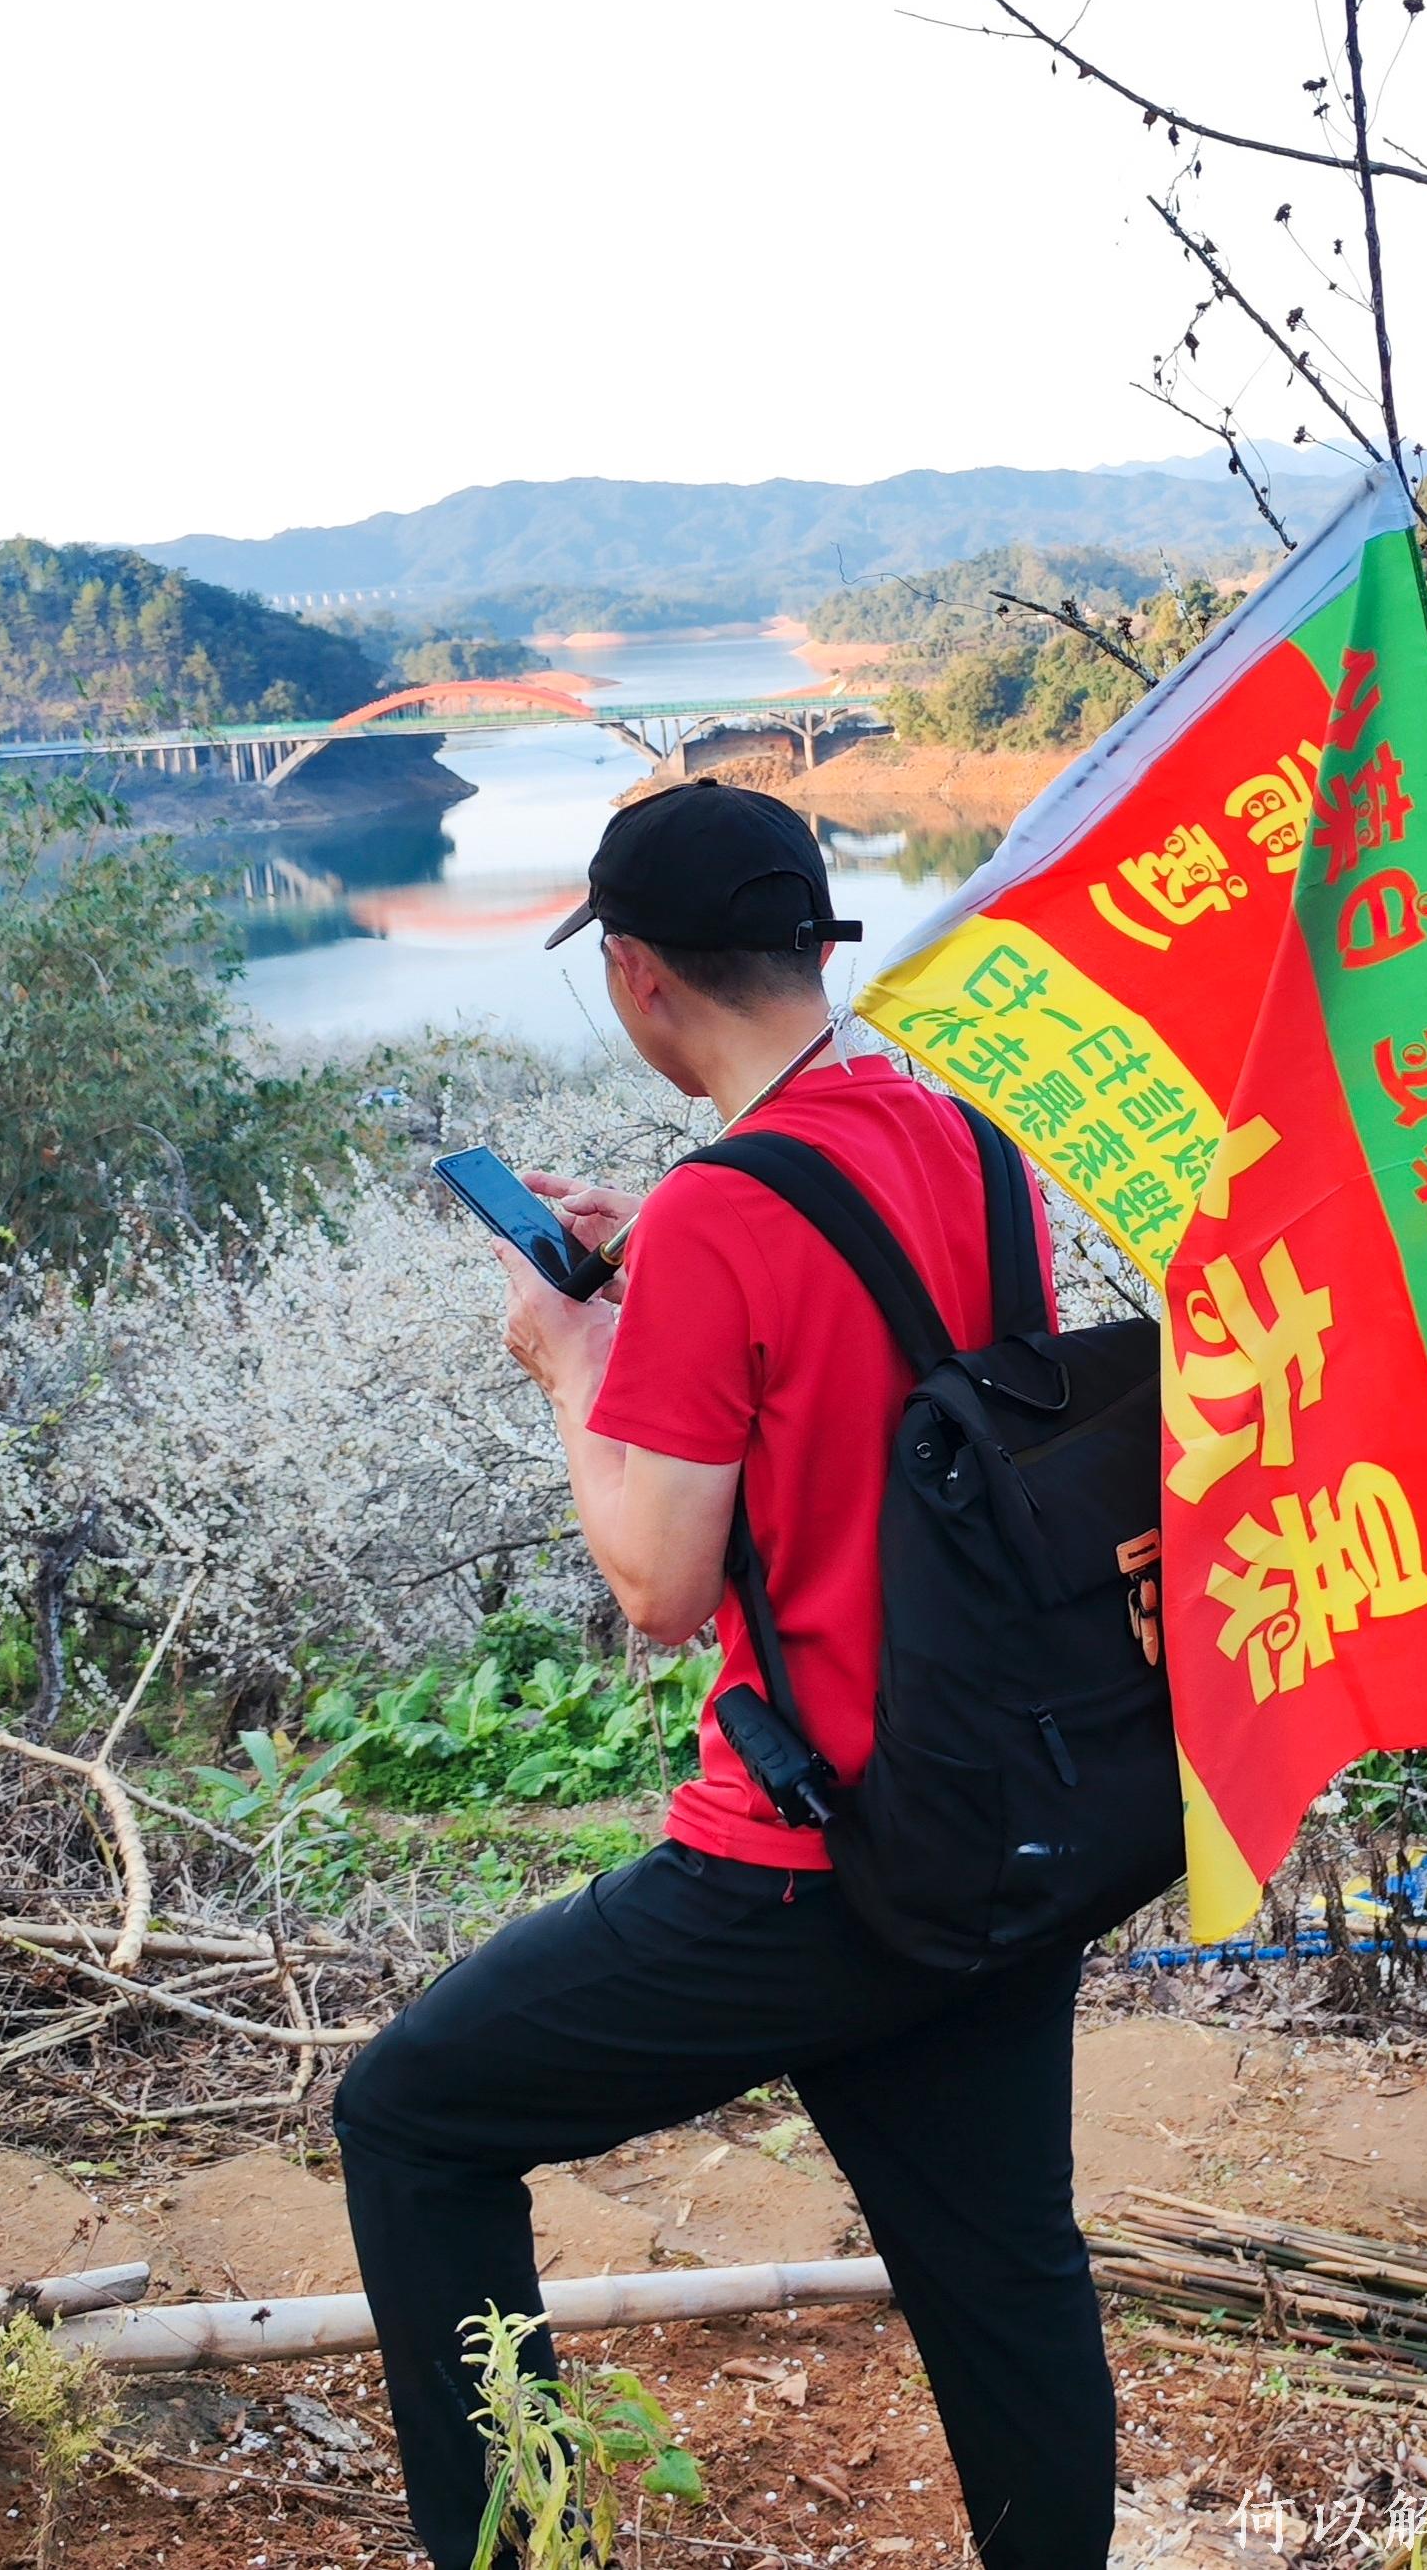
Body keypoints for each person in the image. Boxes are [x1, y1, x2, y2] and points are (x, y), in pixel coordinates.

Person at [333, 779, 1117, 2570]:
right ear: (810, 942)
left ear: (637, 973)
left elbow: (659, 1585)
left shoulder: (717, 1216)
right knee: (1006, 2276)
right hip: (988, 1816)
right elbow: (892, 1364)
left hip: (802, 1860)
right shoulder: (967, 1137)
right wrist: (667, 1267)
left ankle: (522, 2548)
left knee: (413, 2119)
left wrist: (572, 1359)